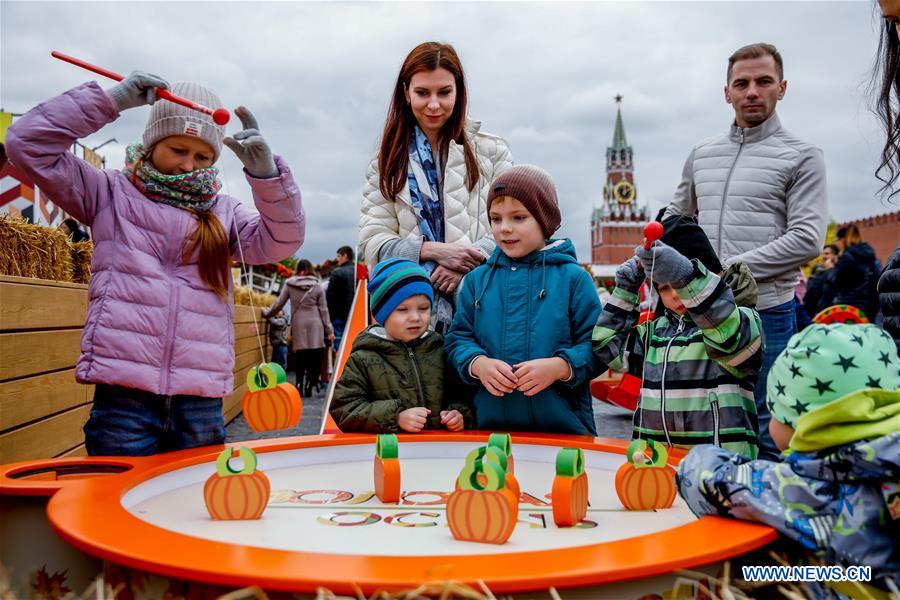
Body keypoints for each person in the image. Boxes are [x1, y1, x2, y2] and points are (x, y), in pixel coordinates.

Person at [5, 72, 304, 456]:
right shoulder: (108, 192)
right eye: (177, 150)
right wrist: (110, 101)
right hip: (124, 397)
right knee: (114, 504)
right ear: (151, 144)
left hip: (199, 400)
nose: (187, 164)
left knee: (190, 509)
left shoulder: (224, 213)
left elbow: (283, 240)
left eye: (202, 157)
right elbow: (27, 142)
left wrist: (268, 177)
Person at [664, 43, 828, 460]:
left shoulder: (803, 155)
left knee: (767, 427)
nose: (752, 91)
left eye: (763, 81)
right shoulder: (702, 154)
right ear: (727, 92)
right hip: (701, 315)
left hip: (767, 313)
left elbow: (808, 237)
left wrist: (729, 270)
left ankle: (767, 522)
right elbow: (674, 220)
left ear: (782, 88)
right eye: (742, 83)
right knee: (701, 422)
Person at [676, 324, 900, 591]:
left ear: (804, 425)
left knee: (749, 574)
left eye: (775, 411)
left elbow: (698, 473)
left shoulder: (809, 486)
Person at [359, 41, 513, 333]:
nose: (433, 104)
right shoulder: (386, 163)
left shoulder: (492, 152)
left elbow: (514, 226)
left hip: (486, 310)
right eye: (422, 93)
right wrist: (432, 251)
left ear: (459, 92)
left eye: (444, 92)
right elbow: (373, 246)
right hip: (412, 319)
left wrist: (464, 263)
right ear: (406, 92)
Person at [445, 165, 601, 435]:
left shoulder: (574, 279)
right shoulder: (476, 281)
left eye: (518, 217)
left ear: (545, 219)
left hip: (565, 431)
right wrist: (477, 363)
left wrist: (561, 367)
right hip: (488, 431)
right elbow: (458, 339)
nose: (505, 228)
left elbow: (599, 346)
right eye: (495, 219)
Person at [593, 216, 763, 458]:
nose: (675, 294)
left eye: (680, 282)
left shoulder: (741, 320)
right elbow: (608, 347)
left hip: (721, 470)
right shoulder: (655, 333)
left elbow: (729, 338)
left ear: (713, 274)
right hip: (655, 467)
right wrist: (626, 288)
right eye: (664, 287)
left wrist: (687, 277)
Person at [330, 258, 473, 433]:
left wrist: (459, 414)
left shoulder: (440, 349)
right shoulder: (363, 359)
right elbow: (344, 409)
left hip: (438, 453)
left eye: (423, 308)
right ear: (383, 314)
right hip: (391, 453)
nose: (415, 317)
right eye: (403, 310)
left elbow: (462, 394)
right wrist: (396, 417)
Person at [264, 259, 333, 397]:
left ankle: (299, 383)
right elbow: (324, 310)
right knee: (314, 357)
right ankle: (309, 385)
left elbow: (279, 303)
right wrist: (329, 330)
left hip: (299, 323)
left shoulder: (289, 284)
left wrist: (267, 313)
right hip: (316, 324)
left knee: (301, 356)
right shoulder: (317, 286)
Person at [830, 224, 881, 320]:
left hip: (850, 306)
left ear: (843, 240)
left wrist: (832, 269)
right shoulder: (869, 254)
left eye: (836, 240)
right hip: (870, 306)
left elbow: (835, 283)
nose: (836, 244)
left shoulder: (847, 257)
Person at [325, 245, 356, 348]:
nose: (337, 259)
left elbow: (329, 297)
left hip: (338, 316)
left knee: (339, 345)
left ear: (345, 256)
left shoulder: (337, 272)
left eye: (338, 256)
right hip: (356, 315)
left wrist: (329, 317)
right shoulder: (359, 272)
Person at [802, 243, 838, 318]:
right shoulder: (817, 271)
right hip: (814, 311)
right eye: (823, 254)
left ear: (835, 256)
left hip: (830, 310)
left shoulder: (837, 272)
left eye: (827, 254)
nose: (824, 256)